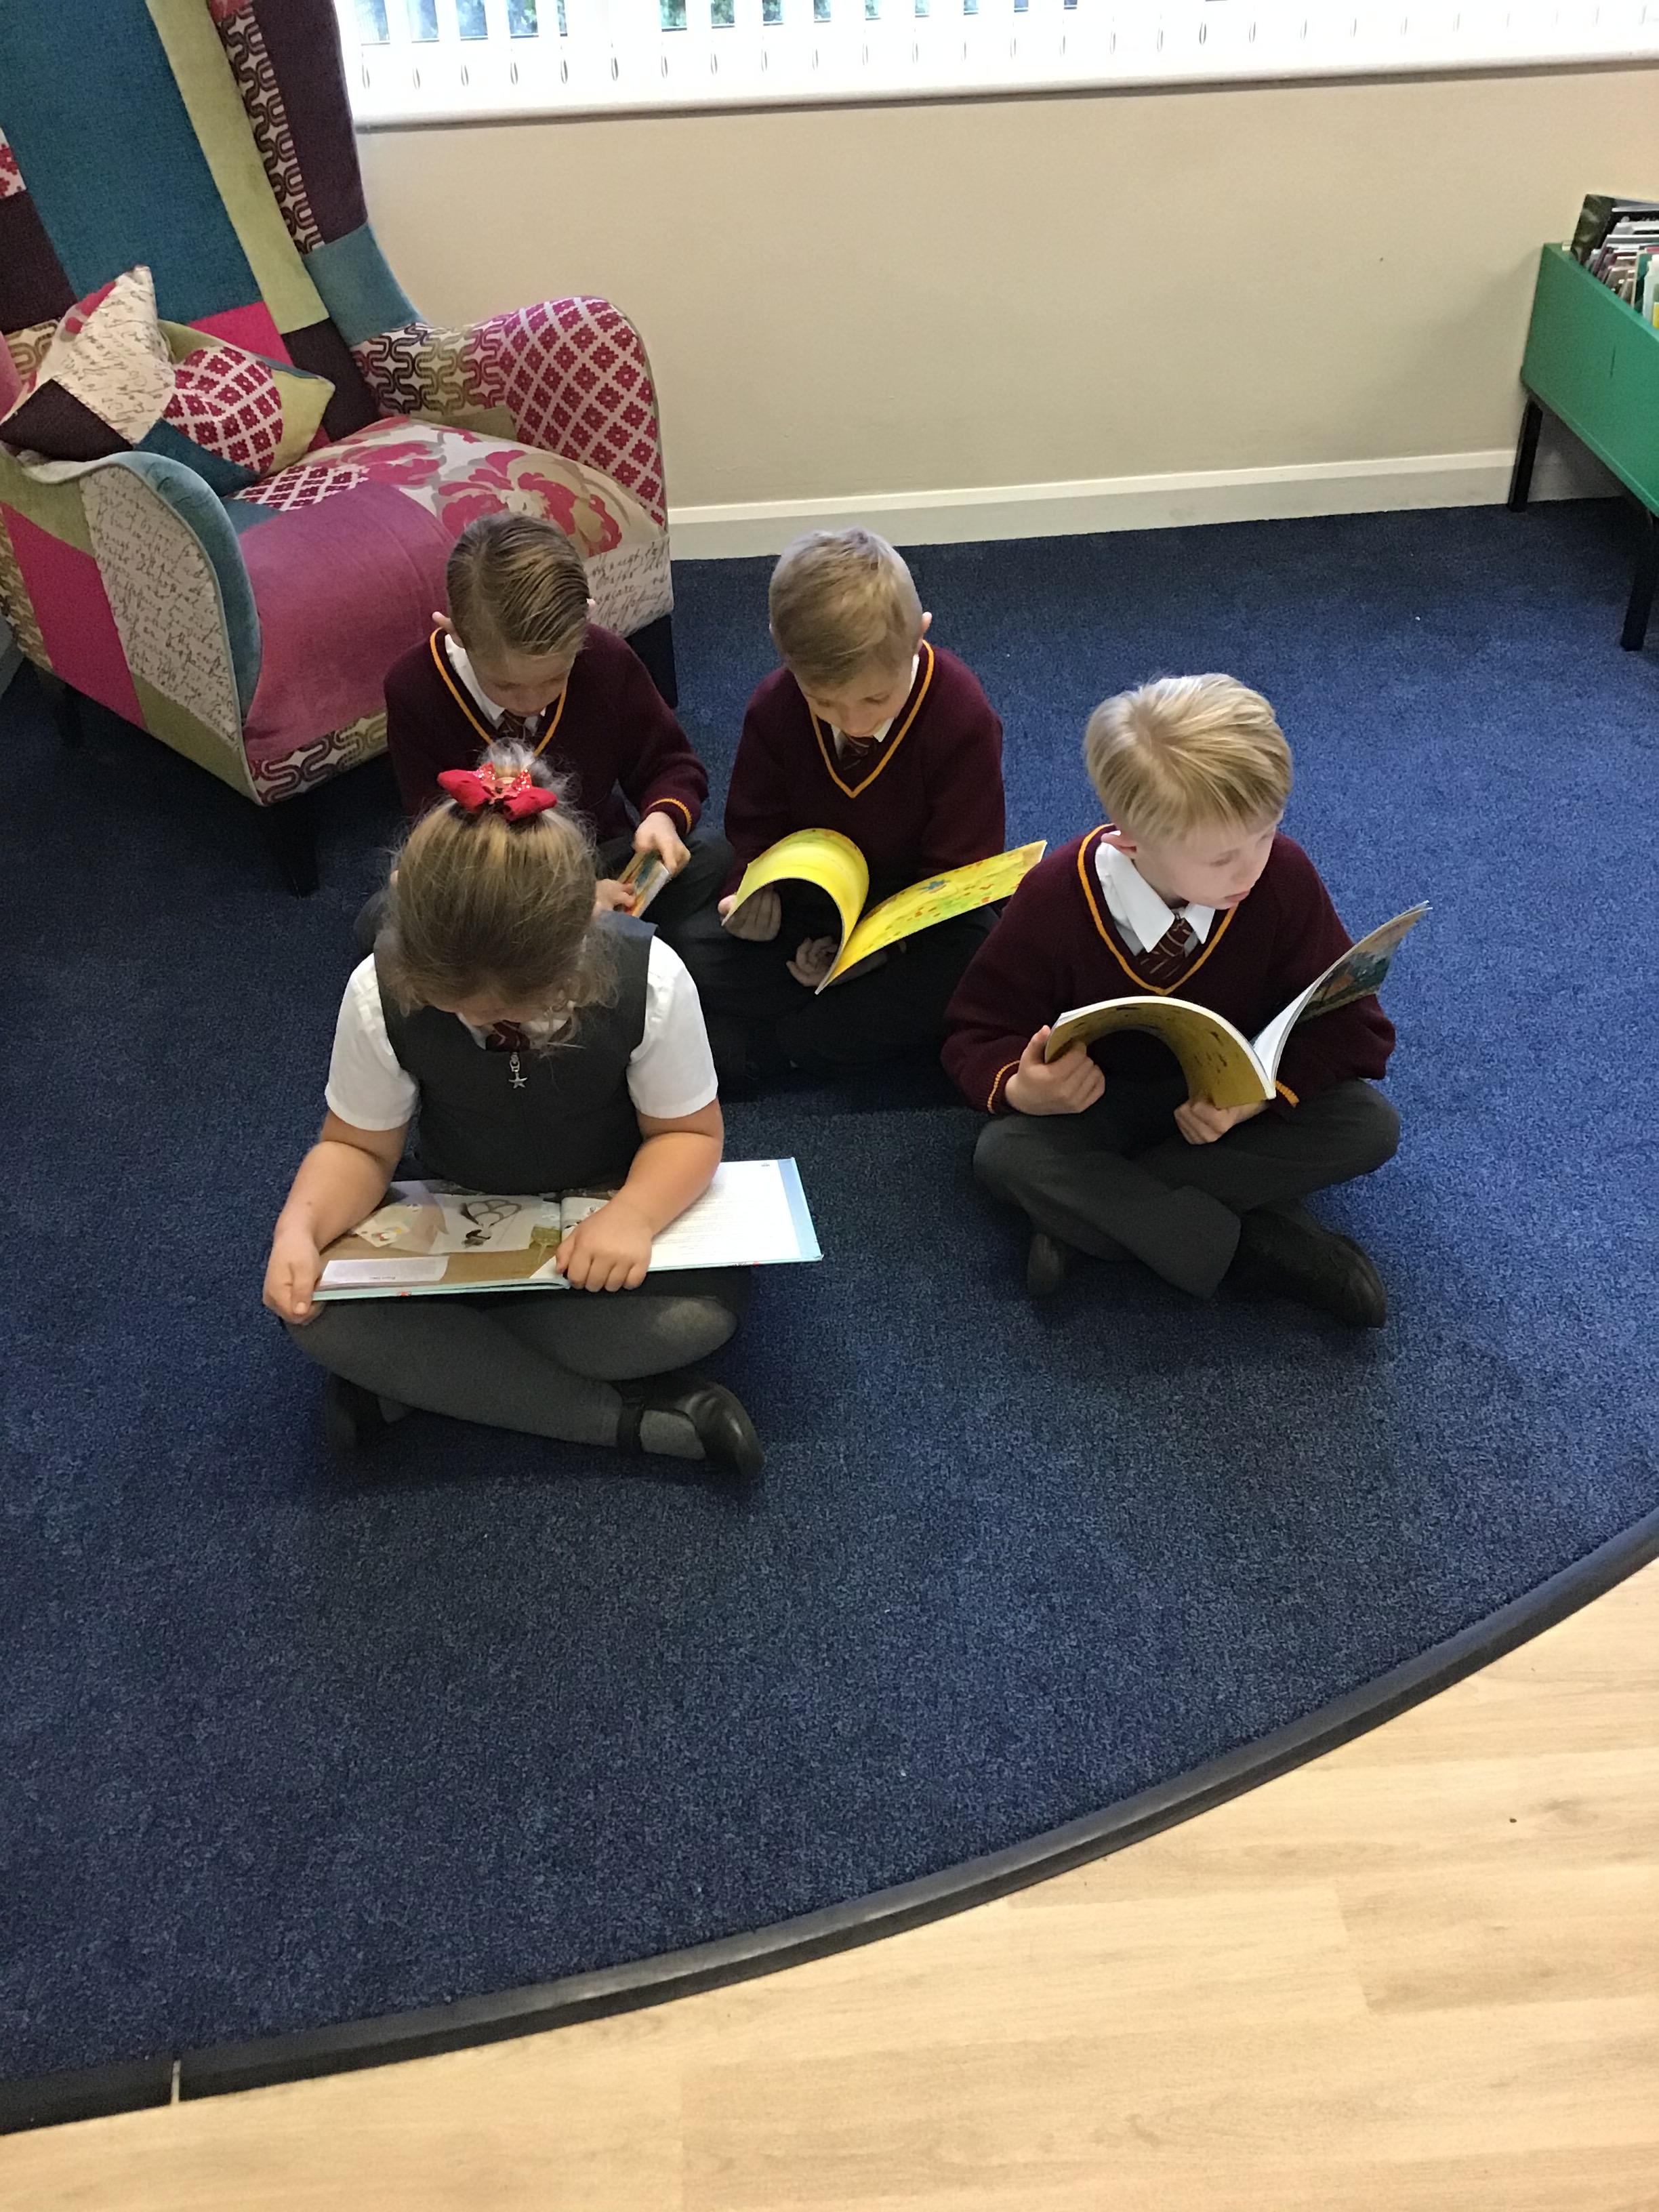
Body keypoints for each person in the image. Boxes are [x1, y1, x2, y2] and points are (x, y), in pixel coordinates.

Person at [264, 744, 763, 1476]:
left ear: (581, 949)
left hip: (604, 1226)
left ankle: (426, 1380)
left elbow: (687, 1133)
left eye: (513, 1010)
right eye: (455, 1006)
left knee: (701, 1314)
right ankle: (624, 1421)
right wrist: (300, 1229)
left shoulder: (652, 979)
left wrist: (633, 1216)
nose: (483, 1023)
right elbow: (358, 1150)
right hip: (461, 1221)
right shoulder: (380, 988)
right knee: (314, 1316)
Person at [942, 675, 1401, 1325]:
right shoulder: (1055, 896)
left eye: (1267, 832)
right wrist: (1024, 1086)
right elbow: (974, 1030)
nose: (1250, 869)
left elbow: (1351, 1026)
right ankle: (1254, 1248)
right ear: (1130, 843)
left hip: (1224, 1113)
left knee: (1368, 1125)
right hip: (1098, 1108)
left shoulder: (1282, 875)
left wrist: (1253, 1099)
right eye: (1220, 859)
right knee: (1005, 1154)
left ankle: (1094, 1222)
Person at [695, 528, 1006, 1086]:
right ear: (782, 651)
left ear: (919, 635)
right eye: (824, 701)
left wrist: (874, 953)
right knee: (689, 946)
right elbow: (754, 825)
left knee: (976, 955)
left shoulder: (961, 715)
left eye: (875, 699)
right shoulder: (775, 705)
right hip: (811, 906)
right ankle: (840, 1030)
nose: (854, 721)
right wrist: (752, 892)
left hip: (912, 922)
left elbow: (959, 872)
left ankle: (777, 1046)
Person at [376, 512, 732, 961]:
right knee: (382, 919)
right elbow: (440, 829)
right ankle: (621, 951)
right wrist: (570, 900)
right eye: (506, 685)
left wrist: (662, 816)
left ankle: (594, 951)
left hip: (600, 857)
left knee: (713, 854)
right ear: (456, 634)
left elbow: (670, 764)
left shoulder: (606, 659)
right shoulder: (414, 687)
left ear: (584, 625)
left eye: (554, 678)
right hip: (492, 881)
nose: (531, 701)